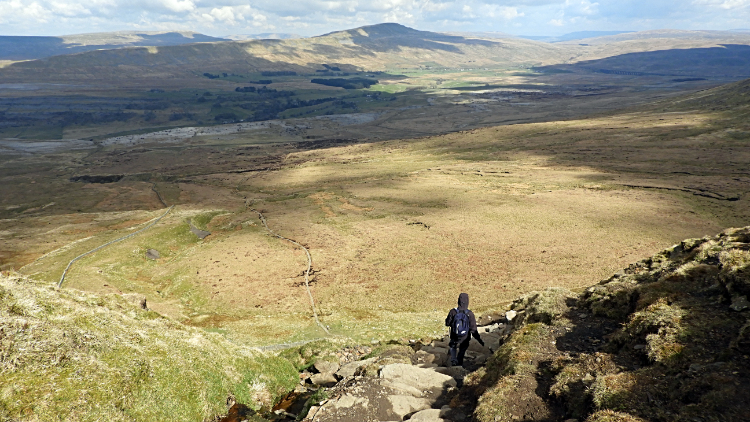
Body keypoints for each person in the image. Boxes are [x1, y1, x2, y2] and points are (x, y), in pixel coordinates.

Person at [445, 292, 484, 367]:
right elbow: (473, 329)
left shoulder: (453, 311)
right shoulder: (470, 314)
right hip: (465, 337)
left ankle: (453, 360)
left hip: (454, 335)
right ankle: (459, 362)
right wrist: (480, 340)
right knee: (463, 348)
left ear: (458, 301)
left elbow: (447, 323)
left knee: (453, 345)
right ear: (467, 302)